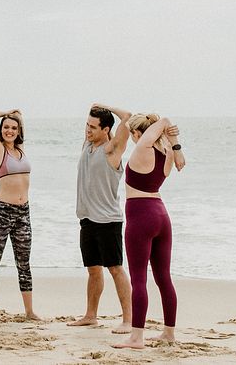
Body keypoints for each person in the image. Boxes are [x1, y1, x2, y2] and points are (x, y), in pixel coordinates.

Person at [67, 104, 180, 335]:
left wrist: (106, 106)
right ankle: (91, 315)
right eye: (86, 125)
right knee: (93, 269)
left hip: (109, 219)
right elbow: (166, 148)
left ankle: (129, 320)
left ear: (106, 129)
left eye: (93, 126)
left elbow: (126, 119)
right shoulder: (87, 145)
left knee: (116, 269)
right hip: (87, 217)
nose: (87, 130)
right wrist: (176, 146)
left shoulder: (113, 149)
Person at [113, 113, 183, 350]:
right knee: (164, 278)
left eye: (133, 134)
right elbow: (165, 135)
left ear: (136, 134)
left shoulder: (142, 149)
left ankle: (136, 338)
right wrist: (176, 146)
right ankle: (169, 333)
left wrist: (162, 124)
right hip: (161, 214)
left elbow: (164, 119)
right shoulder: (167, 154)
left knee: (139, 279)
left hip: (141, 215)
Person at [0, 109, 39, 323]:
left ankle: (30, 312)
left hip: (24, 213)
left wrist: (17, 117)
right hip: (2, 212)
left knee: (24, 264)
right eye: (6, 127)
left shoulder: (20, 149)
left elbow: (20, 124)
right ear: (1, 130)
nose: (10, 131)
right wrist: (6, 112)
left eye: (14, 128)